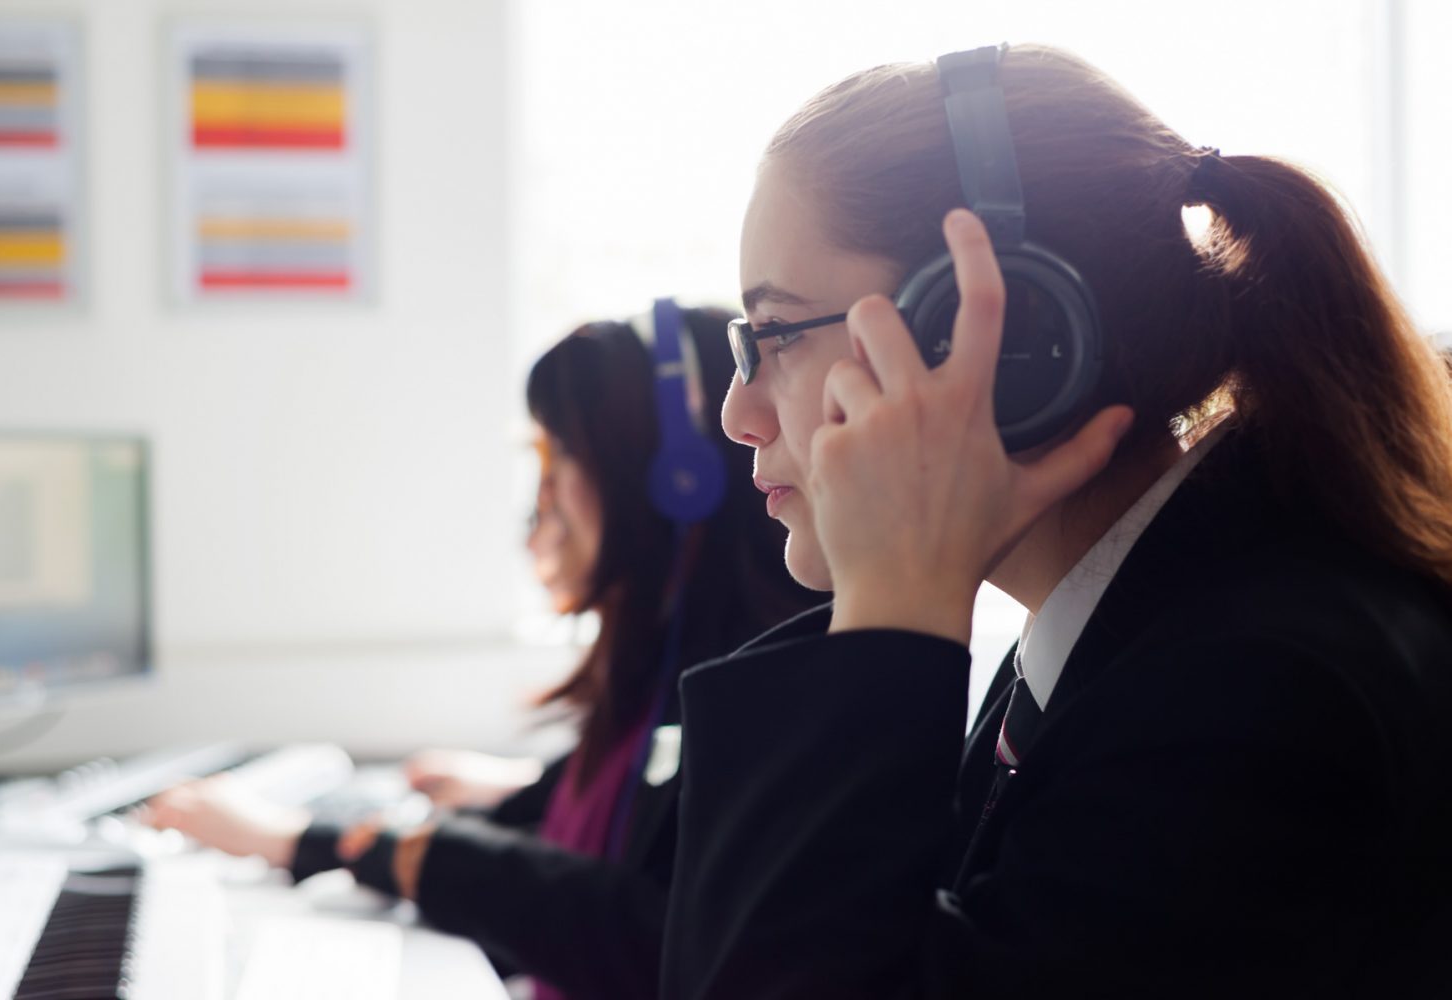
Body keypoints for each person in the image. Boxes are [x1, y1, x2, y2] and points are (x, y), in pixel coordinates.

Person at [659, 44, 1452, 998]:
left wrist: (895, 609)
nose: (738, 416)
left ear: (1002, 340)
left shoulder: (1255, 698)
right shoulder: (1109, 635)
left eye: (775, 336)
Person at [147, 304, 816, 1000]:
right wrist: (513, 794)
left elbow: (643, 932)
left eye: (558, 466)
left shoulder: (755, 702)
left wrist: (293, 839)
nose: (541, 507)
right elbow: (570, 833)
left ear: (675, 484)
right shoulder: (655, 692)